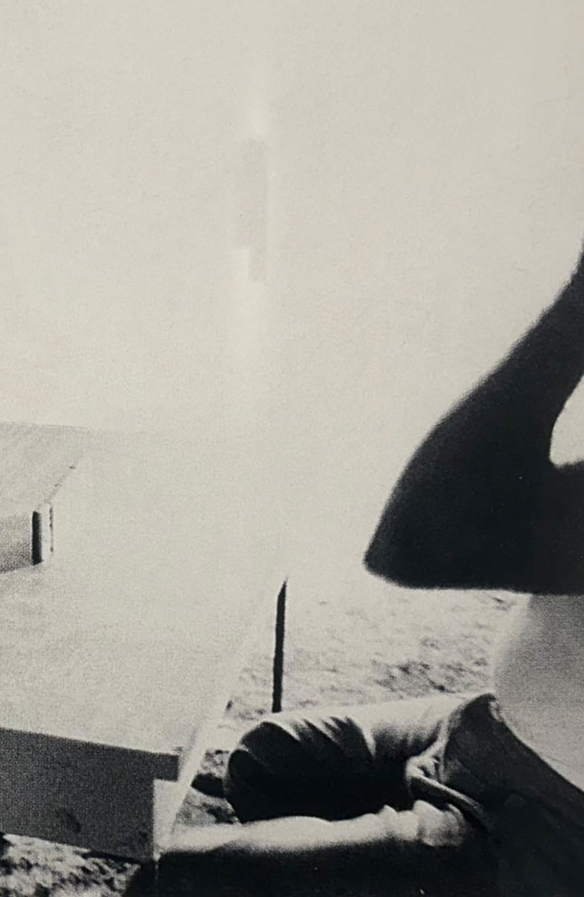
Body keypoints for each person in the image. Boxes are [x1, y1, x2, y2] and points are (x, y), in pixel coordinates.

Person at [158, 248, 584, 894]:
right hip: (498, 727)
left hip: (555, 828)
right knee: (264, 761)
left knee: (184, 878)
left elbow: (420, 536)